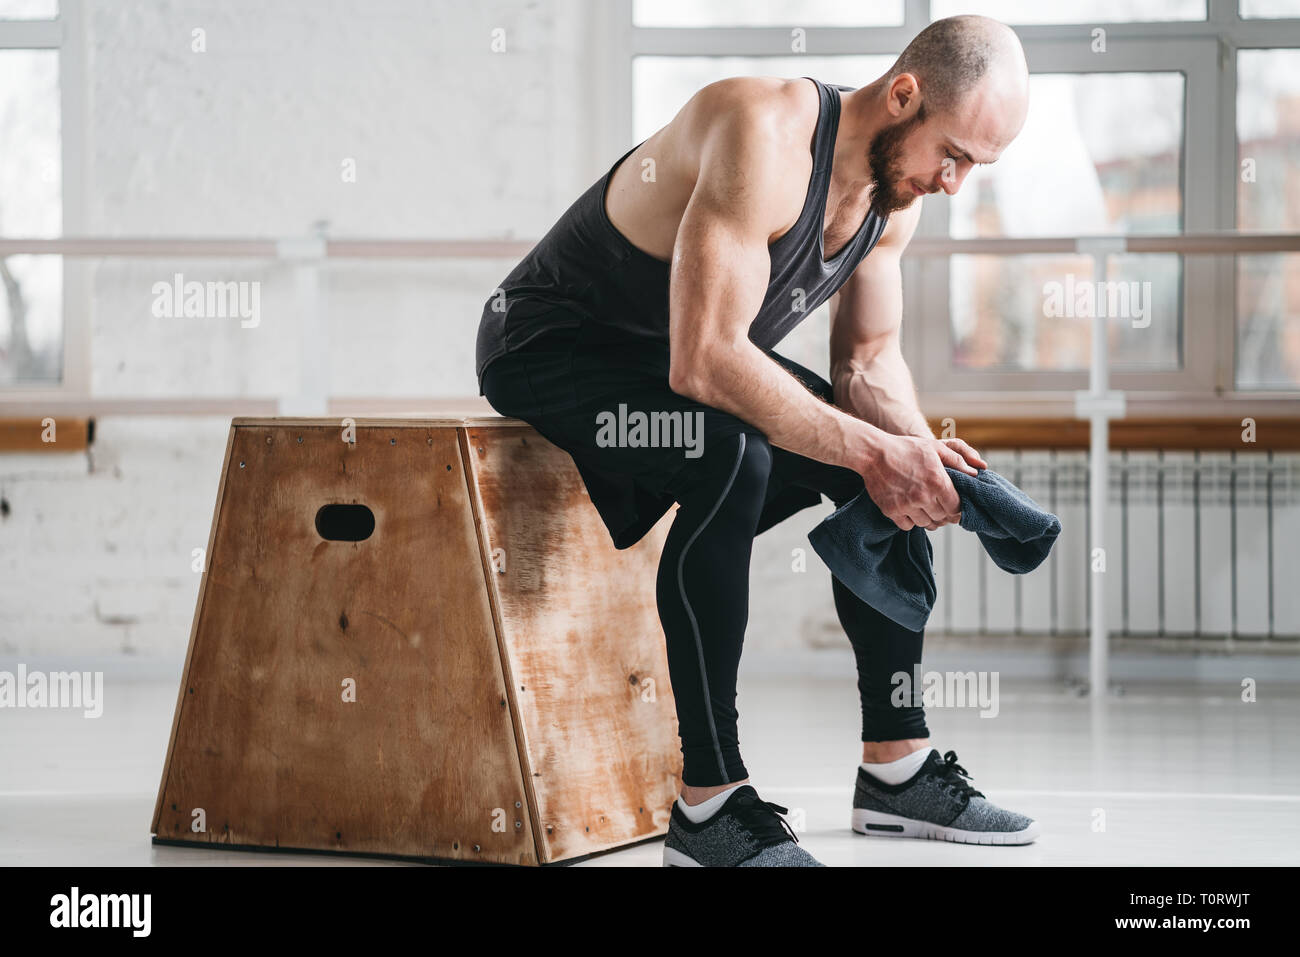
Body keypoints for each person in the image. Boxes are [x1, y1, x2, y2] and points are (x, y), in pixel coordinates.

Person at [476, 15, 1038, 866]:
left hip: (664, 362)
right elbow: (705, 359)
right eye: (952, 154)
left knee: (884, 469)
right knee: (731, 453)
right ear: (903, 95)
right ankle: (709, 805)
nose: (954, 184)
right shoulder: (760, 130)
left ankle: (897, 767)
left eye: (974, 169)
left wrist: (917, 453)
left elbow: (869, 364)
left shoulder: (896, 204)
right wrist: (874, 448)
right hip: (550, 346)